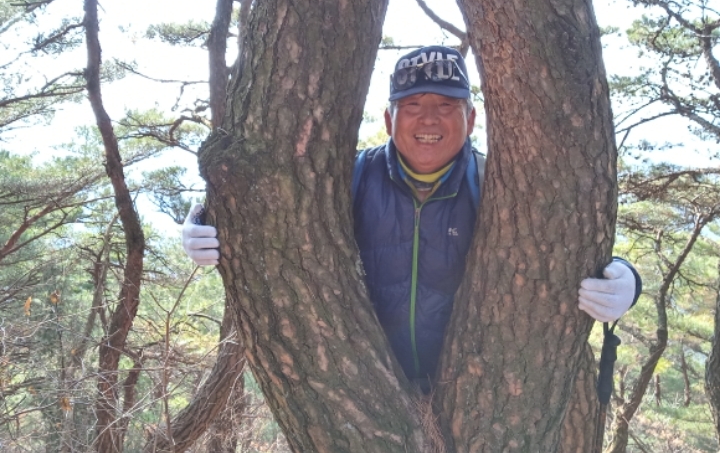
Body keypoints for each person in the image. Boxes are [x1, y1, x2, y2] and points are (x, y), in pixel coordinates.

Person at [183, 45, 642, 393]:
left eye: (446, 105)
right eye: (413, 105)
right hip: (367, 395)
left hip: (473, 400)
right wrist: (204, 221)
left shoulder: (499, 188)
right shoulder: (347, 178)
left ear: (471, 118)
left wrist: (626, 280)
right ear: (389, 119)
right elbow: (274, 221)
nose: (429, 119)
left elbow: (564, 250)